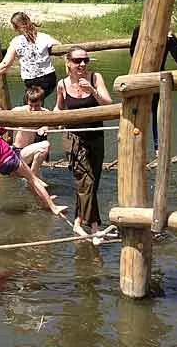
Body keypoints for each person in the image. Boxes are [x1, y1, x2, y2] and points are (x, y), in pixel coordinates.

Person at [55, 47, 113, 240]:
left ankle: (78, 222)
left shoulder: (96, 78)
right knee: (85, 181)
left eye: (85, 61)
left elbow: (108, 104)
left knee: (91, 184)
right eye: (77, 61)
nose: (82, 64)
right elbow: (59, 108)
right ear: (68, 63)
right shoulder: (62, 84)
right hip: (73, 138)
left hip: (95, 137)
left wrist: (93, 91)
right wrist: (47, 121)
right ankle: (95, 228)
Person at [0, 125, 67, 217]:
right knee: (33, 179)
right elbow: (2, 128)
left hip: (0, 168)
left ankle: (43, 202)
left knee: (29, 179)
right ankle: (53, 207)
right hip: (9, 158)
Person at [129, 26, 177, 152]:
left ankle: (133, 146)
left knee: (136, 112)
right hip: (156, 79)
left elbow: (132, 53)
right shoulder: (167, 34)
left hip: (137, 78)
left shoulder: (139, 29)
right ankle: (158, 148)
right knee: (156, 113)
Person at [0, 12, 59, 104]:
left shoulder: (16, 42)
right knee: (35, 103)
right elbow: (60, 46)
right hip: (48, 78)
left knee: (30, 104)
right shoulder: (43, 37)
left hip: (31, 80)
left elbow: (5, 64)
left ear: (15, 27)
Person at [9, 86, 51, 185]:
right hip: (18, 154)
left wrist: (46, 127)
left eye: (36, 106)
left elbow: (57, 126)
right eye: (30, 105)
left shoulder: (46, 114)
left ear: (41, 102)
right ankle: (33, 178)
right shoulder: (18, 111)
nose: (33, 109)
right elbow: (1, 117)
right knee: (45, 145)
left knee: (44, 188)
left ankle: (32, 179)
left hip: (33, 156)